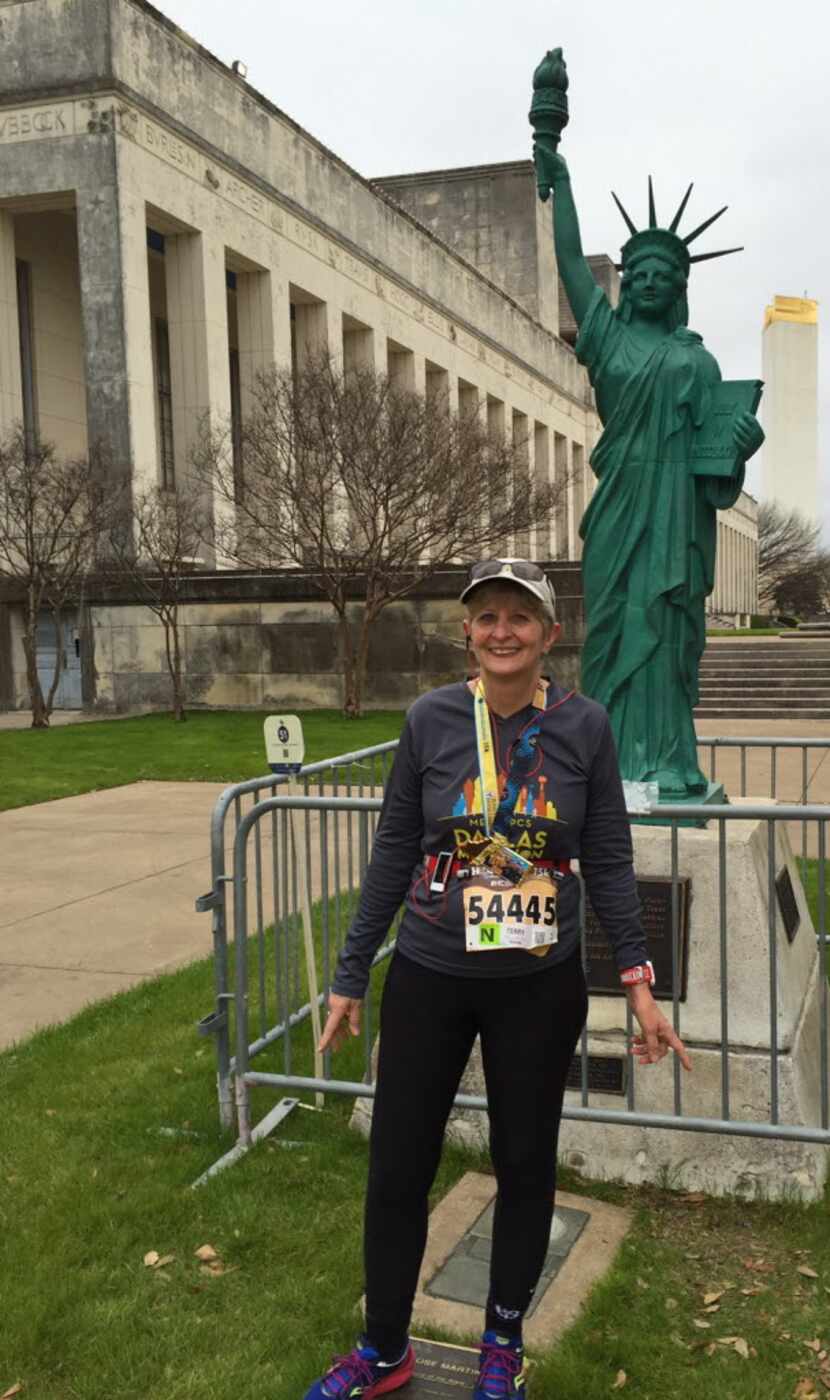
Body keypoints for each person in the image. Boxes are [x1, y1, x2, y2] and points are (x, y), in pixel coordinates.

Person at [302, 559, 691, 1400]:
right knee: (399, 1165)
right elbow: (393, 855)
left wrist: (638, 982)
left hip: (536, 986)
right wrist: (347, 976)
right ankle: (382, 1347)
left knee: (524, 1162)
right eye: (488, 617)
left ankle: (502, 1342)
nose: (503, 630)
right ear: (467, 633)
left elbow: (613, 861)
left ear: (551, 636)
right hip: (431, 972)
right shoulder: (431, 719)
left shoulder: (585, 726)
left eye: (522, 617)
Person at [534, 147, 765, 798]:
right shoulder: (605, 339)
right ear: (625, 280)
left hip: (677, 518)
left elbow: (714, 464)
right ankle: (603, 771)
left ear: (680, 287)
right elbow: (573, 264)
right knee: (608, 636)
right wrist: (562, 180)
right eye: (638, 270)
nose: (648, 281)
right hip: (620, 508)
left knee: (665, 638)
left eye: (663, 273)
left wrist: (742, 445)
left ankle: (667, 765)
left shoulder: (700, 363)